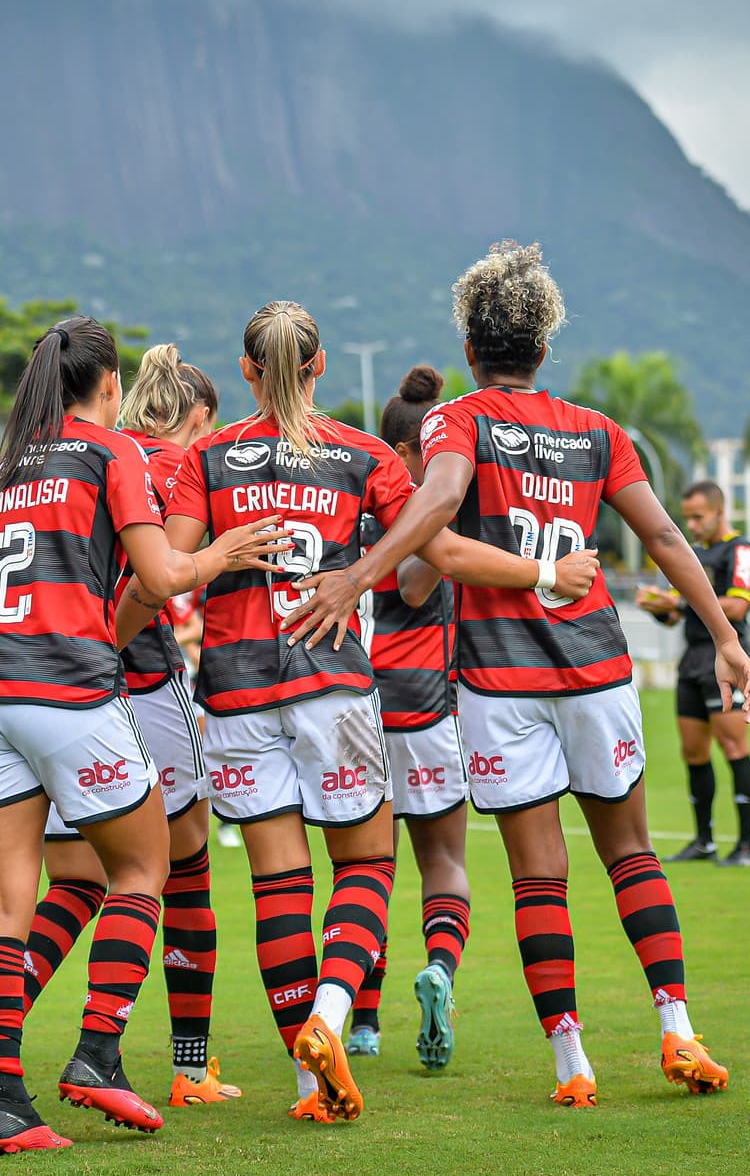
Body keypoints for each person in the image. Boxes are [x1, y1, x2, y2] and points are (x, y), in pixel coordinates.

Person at [285, 242, 750, 1108]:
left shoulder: (455, 422)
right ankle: (677, 1027)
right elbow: (662, 537)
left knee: (537, 875)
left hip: (500, 684)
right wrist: (724, 634)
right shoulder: (595, 429)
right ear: (545, 348)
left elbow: (433, 509)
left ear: (470, 349)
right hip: (595, 668)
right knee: (631, 853)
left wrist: (358, 574)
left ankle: (571, 1064)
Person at [145, 300, 600, 1124]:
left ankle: (306, 1082)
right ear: (319, 368)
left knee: (277, 884)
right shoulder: (360, 455)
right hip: (335, 689)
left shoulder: (205, 458)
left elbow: (166, 570)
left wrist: (211, 557)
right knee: (366, 868)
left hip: (236, 693)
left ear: (246, 371)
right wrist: (543, 573)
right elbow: (446, 553)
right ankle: (328, 1013)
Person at [0, 316, 287, 1155]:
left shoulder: (7, 467)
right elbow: (160, 576)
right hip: (64, 686)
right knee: (144, 865)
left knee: (3, 904)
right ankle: (98, 1052)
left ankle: (10, 1108)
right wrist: (224, 552)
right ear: (107, 386)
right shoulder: (113, 452)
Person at [9, 344, 246, 1107]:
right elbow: (156, 578)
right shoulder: (172, 465)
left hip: (42, 690)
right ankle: (188, 1066)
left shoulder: (51, 456)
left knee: (73, 881)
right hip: (135, 681)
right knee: (183, 869)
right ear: (198, 415)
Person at [343, 366, 474, 1071]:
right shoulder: (426, 506)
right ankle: (441, 972)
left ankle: (363, 1019)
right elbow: (415, 579)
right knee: (443, 861)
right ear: (410, 450)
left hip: (354, 707)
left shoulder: (348, 506)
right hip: (420, 705)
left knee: (366, 866)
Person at [638, 481, 750, 868]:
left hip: (724, 655)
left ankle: (744, 846)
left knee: (732, 747)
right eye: (686, 517)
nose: (690, 525)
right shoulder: (691, 555)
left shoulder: (741, 550)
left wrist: (676, 600)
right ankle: (704, 840)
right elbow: (678, 616)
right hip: (692, 658)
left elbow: (738, 607)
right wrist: (658, 608)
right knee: (692, 751)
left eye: (698, 517)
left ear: (719, 512)